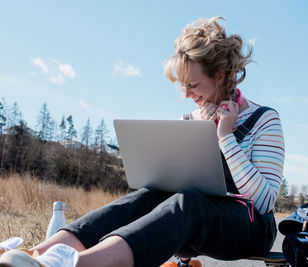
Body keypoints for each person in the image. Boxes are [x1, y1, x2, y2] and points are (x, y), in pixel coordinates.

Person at [0, 16, 285, 267]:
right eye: (182, 85)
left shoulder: (264, 119)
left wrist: (224, 137)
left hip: (249, 228)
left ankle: (78, 265)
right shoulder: (192, 121)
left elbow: (263, 202)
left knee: (189, 202)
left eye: (194, 85)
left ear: (220, 76)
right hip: (190, 225)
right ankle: (35, 255)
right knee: (146, 196)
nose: (186, 94)